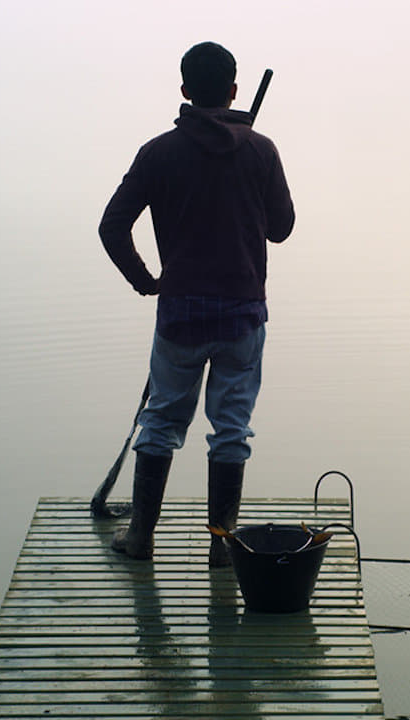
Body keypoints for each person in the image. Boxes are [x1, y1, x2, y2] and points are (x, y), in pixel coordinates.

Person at [99, 41, 295, 566]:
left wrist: (146, 281)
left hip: (181, 314)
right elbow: (281, 229)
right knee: (231, 428)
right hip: (242, 316)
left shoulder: (159, 152)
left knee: (161, 420)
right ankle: (221, 546)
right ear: (232, 91)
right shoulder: (260, 150)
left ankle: (141, 538)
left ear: (185, 91)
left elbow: (112, 226)